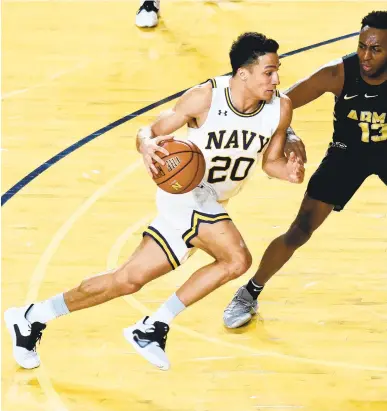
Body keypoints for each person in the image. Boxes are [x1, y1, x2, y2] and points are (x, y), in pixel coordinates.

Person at [5, 32, 305, 371]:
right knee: (237, 259)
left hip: (212, 204)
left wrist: (290, 172)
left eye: (277, 70)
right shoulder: (205, 97)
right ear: (243, 73)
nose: (277, 79)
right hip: (185, 193)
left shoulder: (280, 108)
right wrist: (146, 145)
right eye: (269, 72)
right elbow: (148, 131)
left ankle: (31, 318)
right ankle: (154, 327)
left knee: (126, 280)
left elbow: (270, 163)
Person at [223, 10, 387, 329]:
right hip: (347, 154)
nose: (366, 55)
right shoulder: (337, 74)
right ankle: (249, 292)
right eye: (362, 46)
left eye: (376, 49)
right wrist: (291, 134)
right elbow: (278, 102)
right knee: (300, 229)